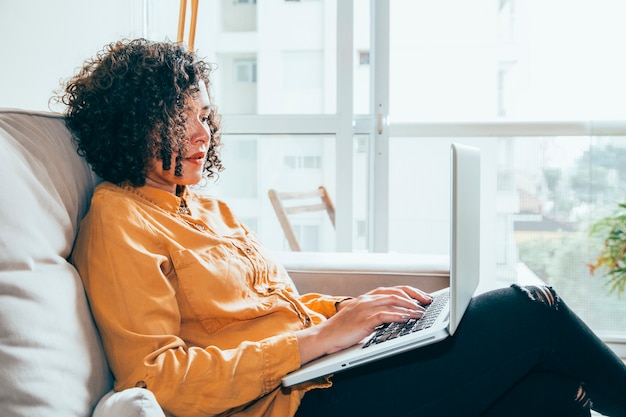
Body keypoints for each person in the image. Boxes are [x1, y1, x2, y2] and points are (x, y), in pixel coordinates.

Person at [60, 38, 626, 417]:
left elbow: (261, 308)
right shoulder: (118, 219)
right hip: (289, 404)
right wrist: (316, 341)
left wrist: (356, 310)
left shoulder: (205, 208)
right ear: (130, 125)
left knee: (550, 394)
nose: (202, 137)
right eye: (178, 121)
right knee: (534, 306)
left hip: (325, 371)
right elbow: (155, 378)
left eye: (204, 117)